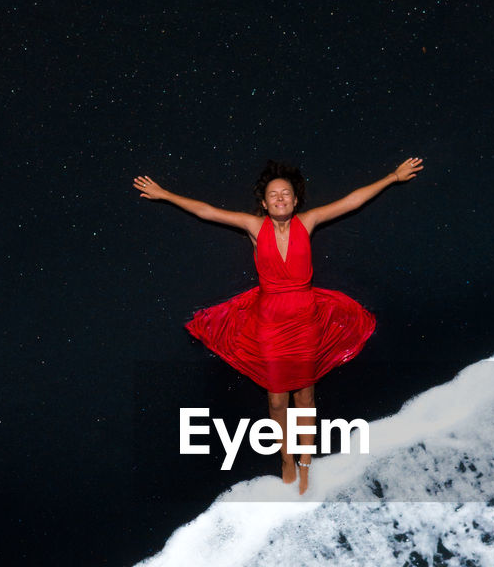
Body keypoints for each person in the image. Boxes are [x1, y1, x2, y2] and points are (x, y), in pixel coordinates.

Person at [133, 157, 423, 492]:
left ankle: (305, 460)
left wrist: (392, 176)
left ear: (296, 200)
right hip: (271, 324)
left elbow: (351, 200)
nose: (280, 198)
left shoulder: (308, 221)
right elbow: (206, 211)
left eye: (286, 193)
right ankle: (286, 457)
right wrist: (165, 194)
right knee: (275, 400)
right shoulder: (255, 227)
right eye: (273, 195)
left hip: (306, 321)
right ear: (263, 203)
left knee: (305, 397)